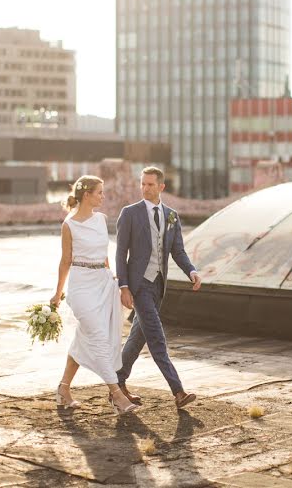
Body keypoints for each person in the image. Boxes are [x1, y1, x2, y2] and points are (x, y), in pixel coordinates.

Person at [115, 166, 202, 409]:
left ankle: (117, 383)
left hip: (158, 286)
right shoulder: (130, 213)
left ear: (161, 187)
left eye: (150, 185)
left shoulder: (171, 215)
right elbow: (121, 252)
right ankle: (178, 391)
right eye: (142, 184)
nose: (145, 188)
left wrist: (192, 271)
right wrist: (123, 286)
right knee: (156, 337)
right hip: (139, 285)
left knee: (138, 336)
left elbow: (178, 251)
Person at [50, 175, 138, 414]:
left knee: (85, 338)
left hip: (103, 283)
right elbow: (65, 261)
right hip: (81, 288)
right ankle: (117, 395)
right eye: (100, 192)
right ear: (86, 194)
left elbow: (104, 254)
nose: (103, 196)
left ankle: (63, 389)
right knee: (98, 337)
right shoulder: (69, 224)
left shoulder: (100, 220)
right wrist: (58, 294)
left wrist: (115, 281)